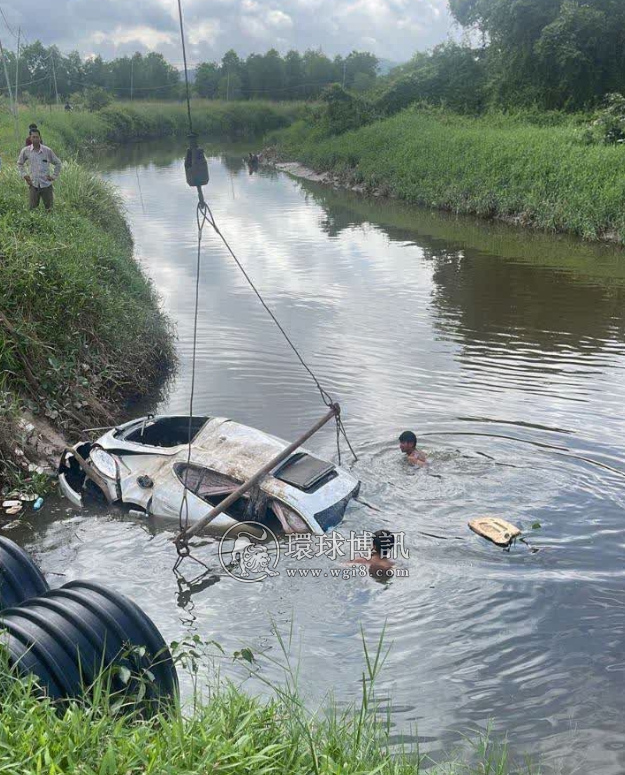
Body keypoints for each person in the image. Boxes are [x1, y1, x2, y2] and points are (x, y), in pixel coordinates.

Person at [17, 129, 62, 211]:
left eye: (37, 137)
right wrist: (25, 175)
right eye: (33, 137)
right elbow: (20, 163)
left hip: (46, 185)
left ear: (40, 138)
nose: (35, 139)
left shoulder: (47, 151)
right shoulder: (26, 151)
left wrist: (54, 176)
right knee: (32, 210)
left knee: (49, 210)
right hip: (33, 185)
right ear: (30, 138)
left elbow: (58, 163)